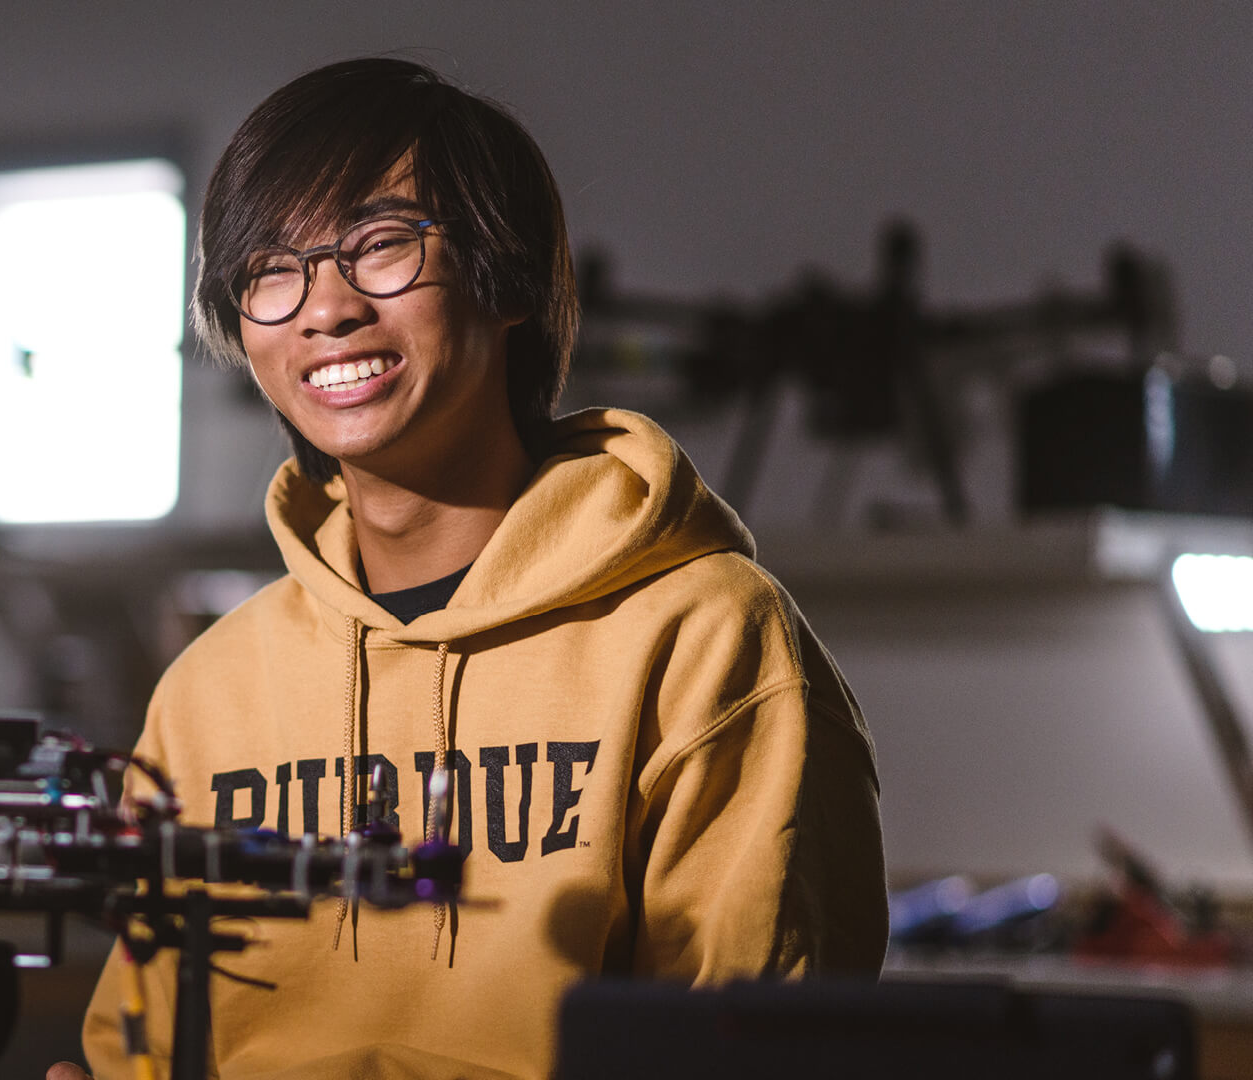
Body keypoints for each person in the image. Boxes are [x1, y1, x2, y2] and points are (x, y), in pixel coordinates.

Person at [54, 57, 887, 1080]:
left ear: (509, 282)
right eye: (272, 269)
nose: (326, 308)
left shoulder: (706, 636)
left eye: (382, 246)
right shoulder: (209, 691)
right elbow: (136, 1043)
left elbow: (759, 1044)